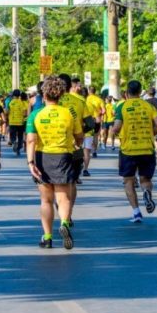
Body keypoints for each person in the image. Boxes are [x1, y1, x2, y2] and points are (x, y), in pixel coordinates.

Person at [26, 75, 83, 249]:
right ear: (61, 95)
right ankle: (64, 223)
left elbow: (31, 140)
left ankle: (48, 237)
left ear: (44, 95)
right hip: (64, 156)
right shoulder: (69, 113)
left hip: (42, 157)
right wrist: (75, 143)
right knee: (63, 197)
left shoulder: (35, 114)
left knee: (46, 200)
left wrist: (30, 163)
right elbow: (79, 137)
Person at [111, 80, 157, 223]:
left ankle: (136, 212)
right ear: (140, 92)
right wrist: (152, 133)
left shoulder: (122, 107)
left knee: (128, 181)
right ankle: (146, 192)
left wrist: (116, 133)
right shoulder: (148, 106)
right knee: (145, 179)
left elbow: (116, 128)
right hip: (147, 149)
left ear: (127, 93)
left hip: (128, 151)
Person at [58, 74, 89, 222]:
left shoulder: (52, 101)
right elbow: (91, 123)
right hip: (76, 146)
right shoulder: (80, 101)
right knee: (73, 181)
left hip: (56, 147)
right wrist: (80, 132)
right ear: (70, 85)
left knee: (56, 182)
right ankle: (68, 213)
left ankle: (61, 208)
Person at [6, 89, 27, 156]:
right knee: (20, 136)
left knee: (12, 135)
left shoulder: (10, 102)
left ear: (13, 95)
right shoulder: (22, 103)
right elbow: (24, 113)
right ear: (19, 95)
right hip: (20, 122)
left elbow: (7, 111)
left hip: (12, 122)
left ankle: (14, 142)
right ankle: (18, 149)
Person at [87, 86, 105, 158]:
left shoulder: (86, 99)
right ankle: (94, 152)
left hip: (88, 119)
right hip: (97, 119)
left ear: (89, 91)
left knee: (88, 135)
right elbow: (104, 111)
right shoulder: (99, 100)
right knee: (95, 136)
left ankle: (87, 151)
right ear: (95, 91)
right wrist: (99, 114)